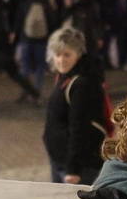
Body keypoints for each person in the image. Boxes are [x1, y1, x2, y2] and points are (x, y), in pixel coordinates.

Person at [44, 26, 109, 185]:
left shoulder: (82, 84)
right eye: (58, 54)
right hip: (61, 160)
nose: (61, 60)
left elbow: (80, 128)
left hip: (78, 166)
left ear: (79, 54)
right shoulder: (65, 77)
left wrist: (73, 169)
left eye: (67, 55)